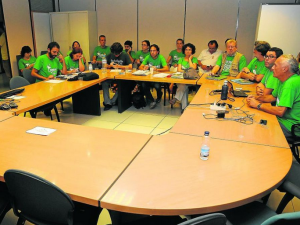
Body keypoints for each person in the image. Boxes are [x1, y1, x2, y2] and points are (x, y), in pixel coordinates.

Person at [246, 54, 300, 143]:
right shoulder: (284, 79)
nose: (273, 68)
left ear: (284, 69)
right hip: (283, 120)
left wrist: (258, 105)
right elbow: (272, 97)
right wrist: (256, 98)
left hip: (291, 126)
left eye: (275, 65)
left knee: (256, 128)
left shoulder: (290, 84)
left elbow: (280, 111)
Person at [102, 42, 132, 111]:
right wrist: (110, 66)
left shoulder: (125, 55)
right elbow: (104, 65)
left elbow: (130, 66)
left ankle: (112, 101)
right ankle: (107, 103)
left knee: (122, 85)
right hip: (111, 76)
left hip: (122, 77)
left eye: (117, 54)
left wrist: (120, 66)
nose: (115, 55)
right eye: (114, 54)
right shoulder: (110, 55)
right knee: (104, 83)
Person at [170, 43, 198, 110]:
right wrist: (187, 72)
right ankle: (184, 109)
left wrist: (190, 60)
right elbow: (179, 69)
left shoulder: (194, 59)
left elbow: (193, 68)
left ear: (192, 51)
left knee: (183, 86)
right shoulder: (181, 59)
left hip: (190, 80)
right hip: (181, 78)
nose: (188, 51)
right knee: (183, 86)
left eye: (189, 50)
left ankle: (176, 98)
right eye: (186, 49)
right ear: (184, 51)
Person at [139, 44, 168, 109]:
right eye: (151, 51)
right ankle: (152, 100)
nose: (152, 52)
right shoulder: (148, 57)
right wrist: (144, 68)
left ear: (157, 51)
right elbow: (140, 66)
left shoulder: (161, 57)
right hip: (149, 78)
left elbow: (166, 68)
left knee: (157, 86)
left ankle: (159, 95)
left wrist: (157, 69)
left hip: (157, 78)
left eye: (154, 51)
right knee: (143, 85)